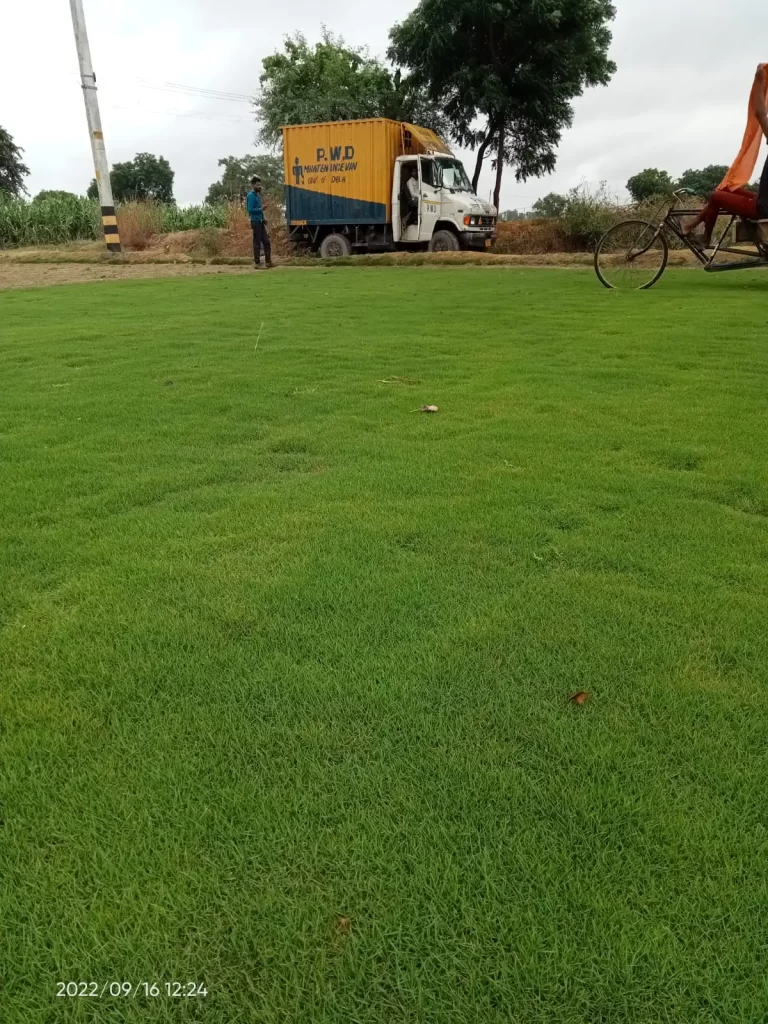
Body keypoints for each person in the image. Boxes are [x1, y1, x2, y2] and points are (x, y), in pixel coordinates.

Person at [683, 64, 768, 248]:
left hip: (762, 208)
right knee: (727, 189)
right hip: (762, 200)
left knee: (715, 196)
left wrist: (760, 79)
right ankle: (694, 224)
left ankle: (705, 237)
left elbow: (760, 113)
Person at [247, 176, 273, 268]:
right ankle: (257, 263)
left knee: (266, 242)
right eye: (258, 185)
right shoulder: (251, 196)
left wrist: (263, 218)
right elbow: (250, 210)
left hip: (260, 221)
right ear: (253, 185)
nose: (259, 186)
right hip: (255, 221)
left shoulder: (257, 196)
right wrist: (261, 209)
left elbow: (259, 210)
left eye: (260, 185)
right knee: (257, 243)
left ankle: (268, 262)